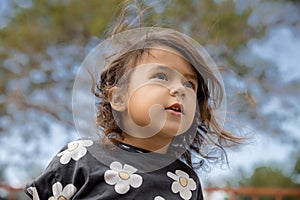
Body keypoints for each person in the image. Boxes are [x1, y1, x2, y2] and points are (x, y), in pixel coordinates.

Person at [24, 12, 243, 200]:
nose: (179, 89)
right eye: (160, 76)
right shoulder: (80, 156)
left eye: (189, 84)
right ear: (118, 98)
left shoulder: (186, 182)